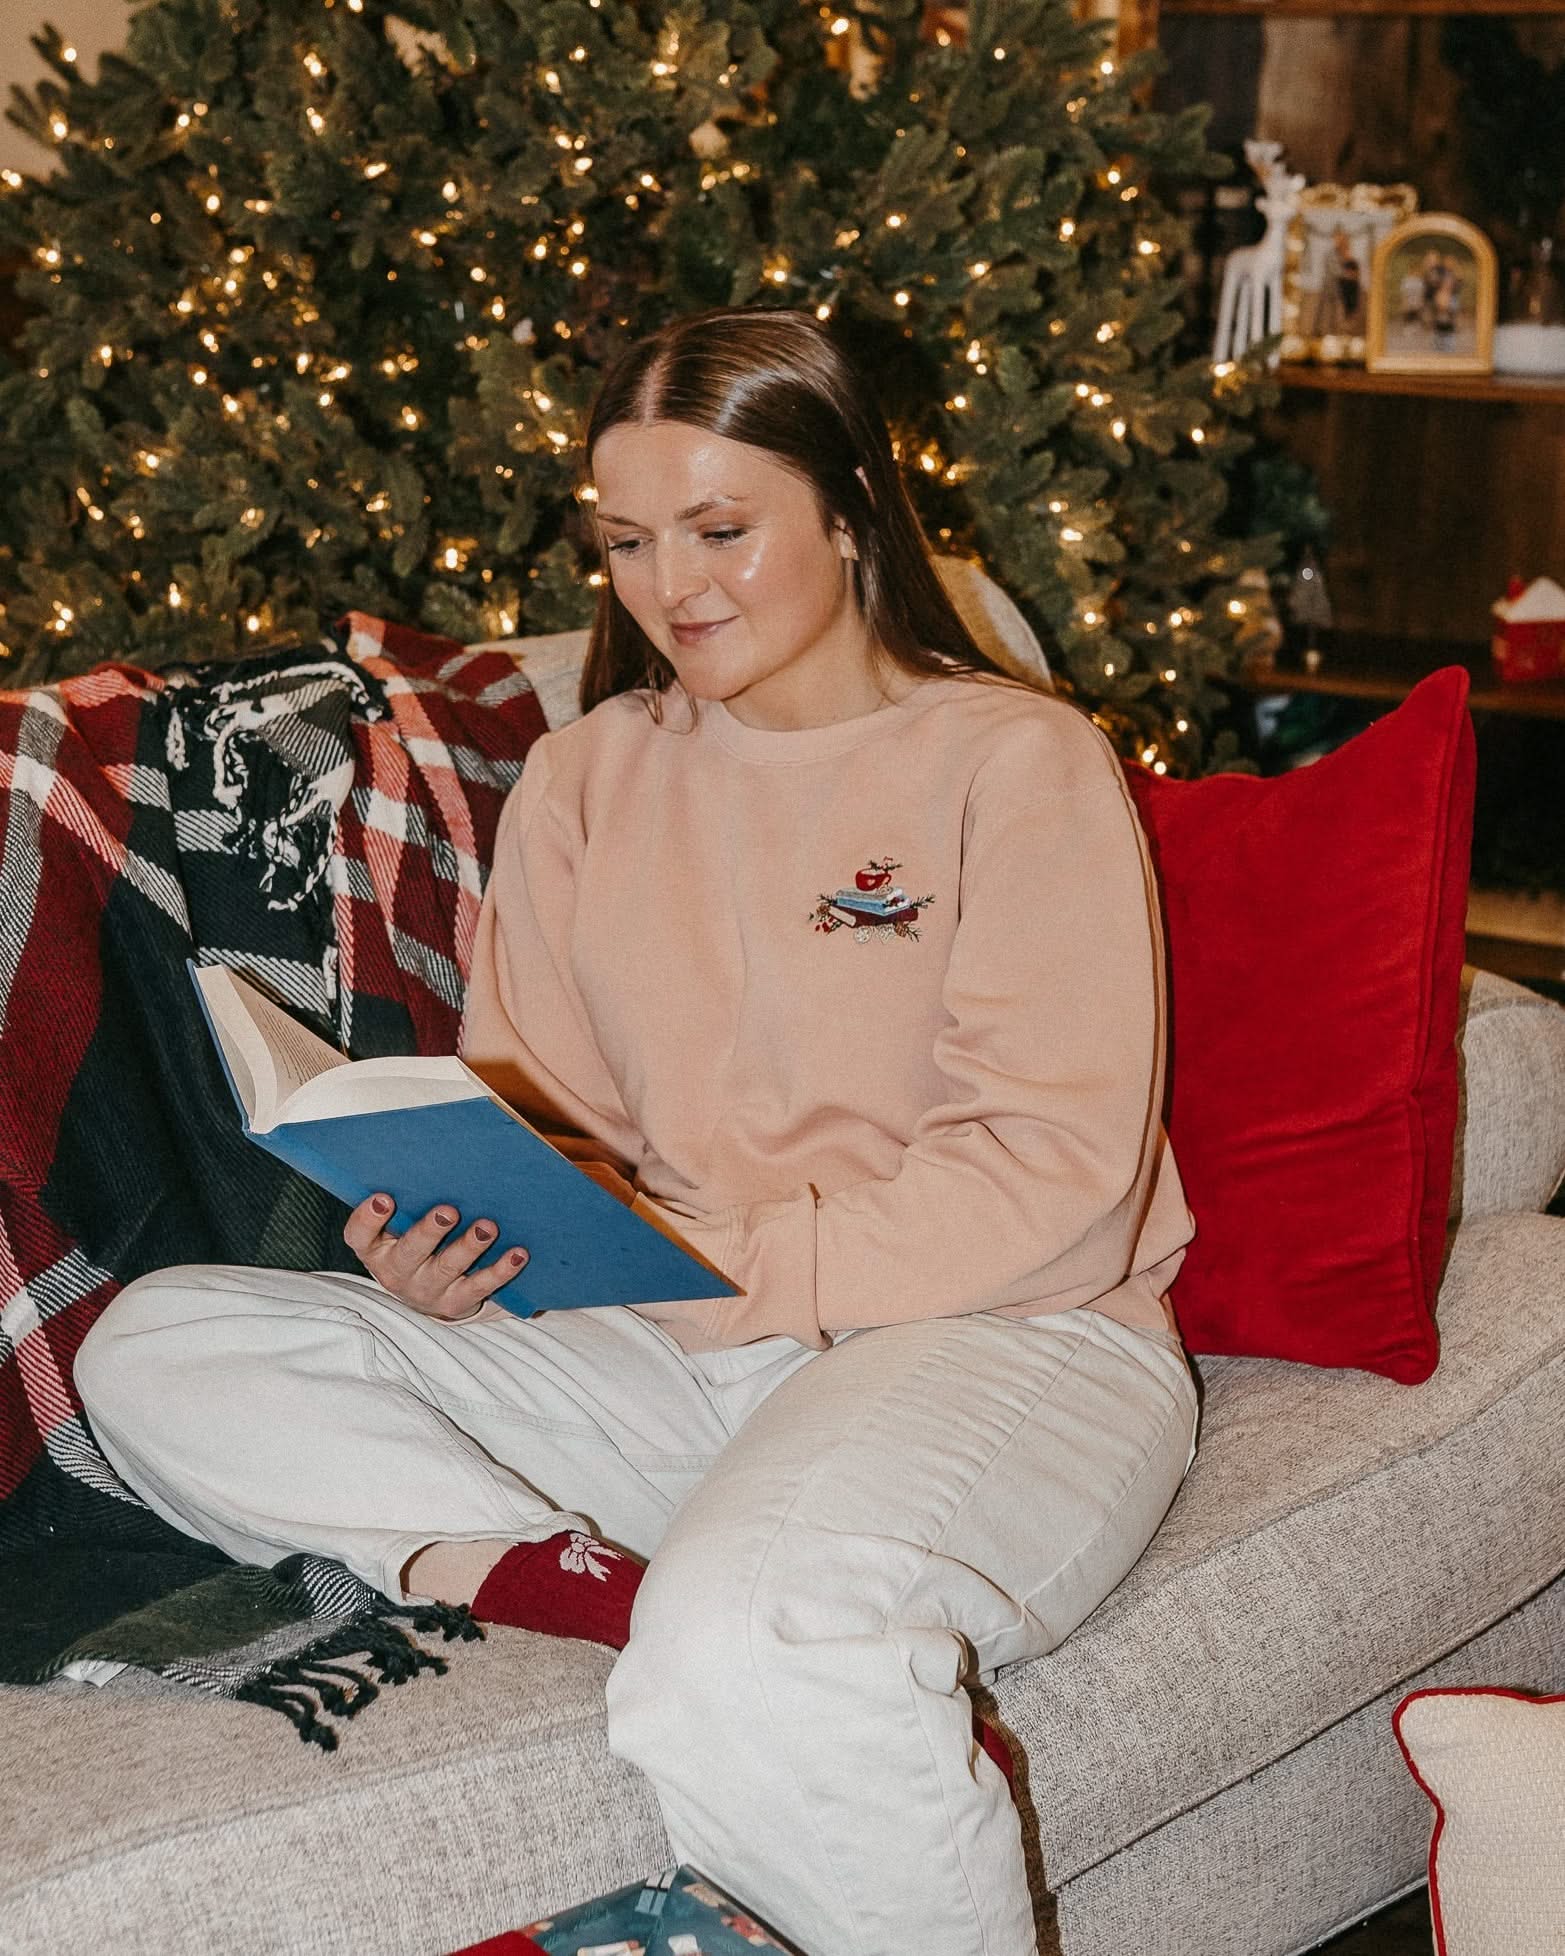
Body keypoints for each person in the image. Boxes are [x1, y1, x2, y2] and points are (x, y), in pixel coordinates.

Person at [75, 307, 1200, 1956]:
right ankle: (565, 1581)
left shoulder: (1014, 761)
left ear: (848, 510)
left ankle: (707, 1610)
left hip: (1001, 1334)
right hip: (669, 1343)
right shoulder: (593, 774)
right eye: (626, 541)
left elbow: (1052, 1186)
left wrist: (715, 1272)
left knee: (762, 1643)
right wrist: (464, 1241)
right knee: (159, 1344)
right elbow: (556, 1121)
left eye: (721, 529)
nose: (673, 587)